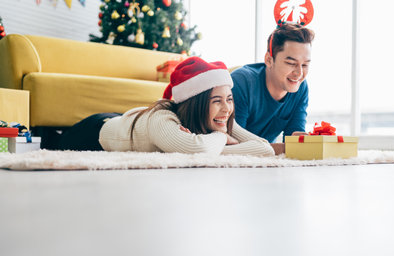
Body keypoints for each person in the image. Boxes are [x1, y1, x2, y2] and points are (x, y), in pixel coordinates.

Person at [56, 56, 275, 157]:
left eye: (229, 99)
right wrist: (222, 139)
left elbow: (265, 148)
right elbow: (198, 149)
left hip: (126, 121)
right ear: (196, 103)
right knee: (53, 143)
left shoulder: (220, 117)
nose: (227, 109)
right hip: (96, 131)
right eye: (217, 100)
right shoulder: (162, 120)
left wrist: (218, 145)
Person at [231, 23, 315, 153]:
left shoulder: (300, 88)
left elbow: (293, 140)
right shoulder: (242, 83)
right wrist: (287, 148)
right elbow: (234, 145)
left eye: (304, 65)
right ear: (269, 60)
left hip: (266, 163)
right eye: (291, 63)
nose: (299, 73)